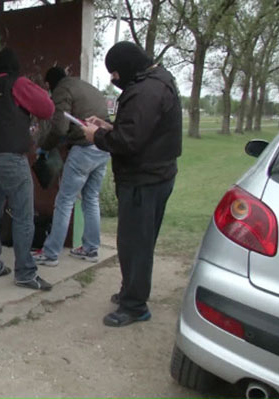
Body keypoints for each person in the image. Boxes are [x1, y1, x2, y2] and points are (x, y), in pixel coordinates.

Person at [81, 41, 182, 327]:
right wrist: (108, 126)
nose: (114, 80)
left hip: (144, 180)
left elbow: (129, 142)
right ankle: (131, 291)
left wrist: (96, 137)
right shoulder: (156, 82)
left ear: (125, 68)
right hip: (155, 175)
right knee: (139, 241)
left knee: (134, 243)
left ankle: (135, 306)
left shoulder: (146, 90)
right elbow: (140, 130)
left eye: (114, 74)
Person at [0, 48, 55, 291]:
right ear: (14, 67)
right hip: (11, 159)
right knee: (23, 216)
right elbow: (47, 109)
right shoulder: (17, 83)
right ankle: (25, 272)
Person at [31, 67, 110, 267]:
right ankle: (91, 249)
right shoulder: (86, 86)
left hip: (83, 149)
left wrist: (44, 147)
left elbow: (59, 127)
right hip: (103, 146)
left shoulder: (62, 90)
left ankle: (50, 253)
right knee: (91, 199)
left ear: (49, 85)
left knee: (65, 201)